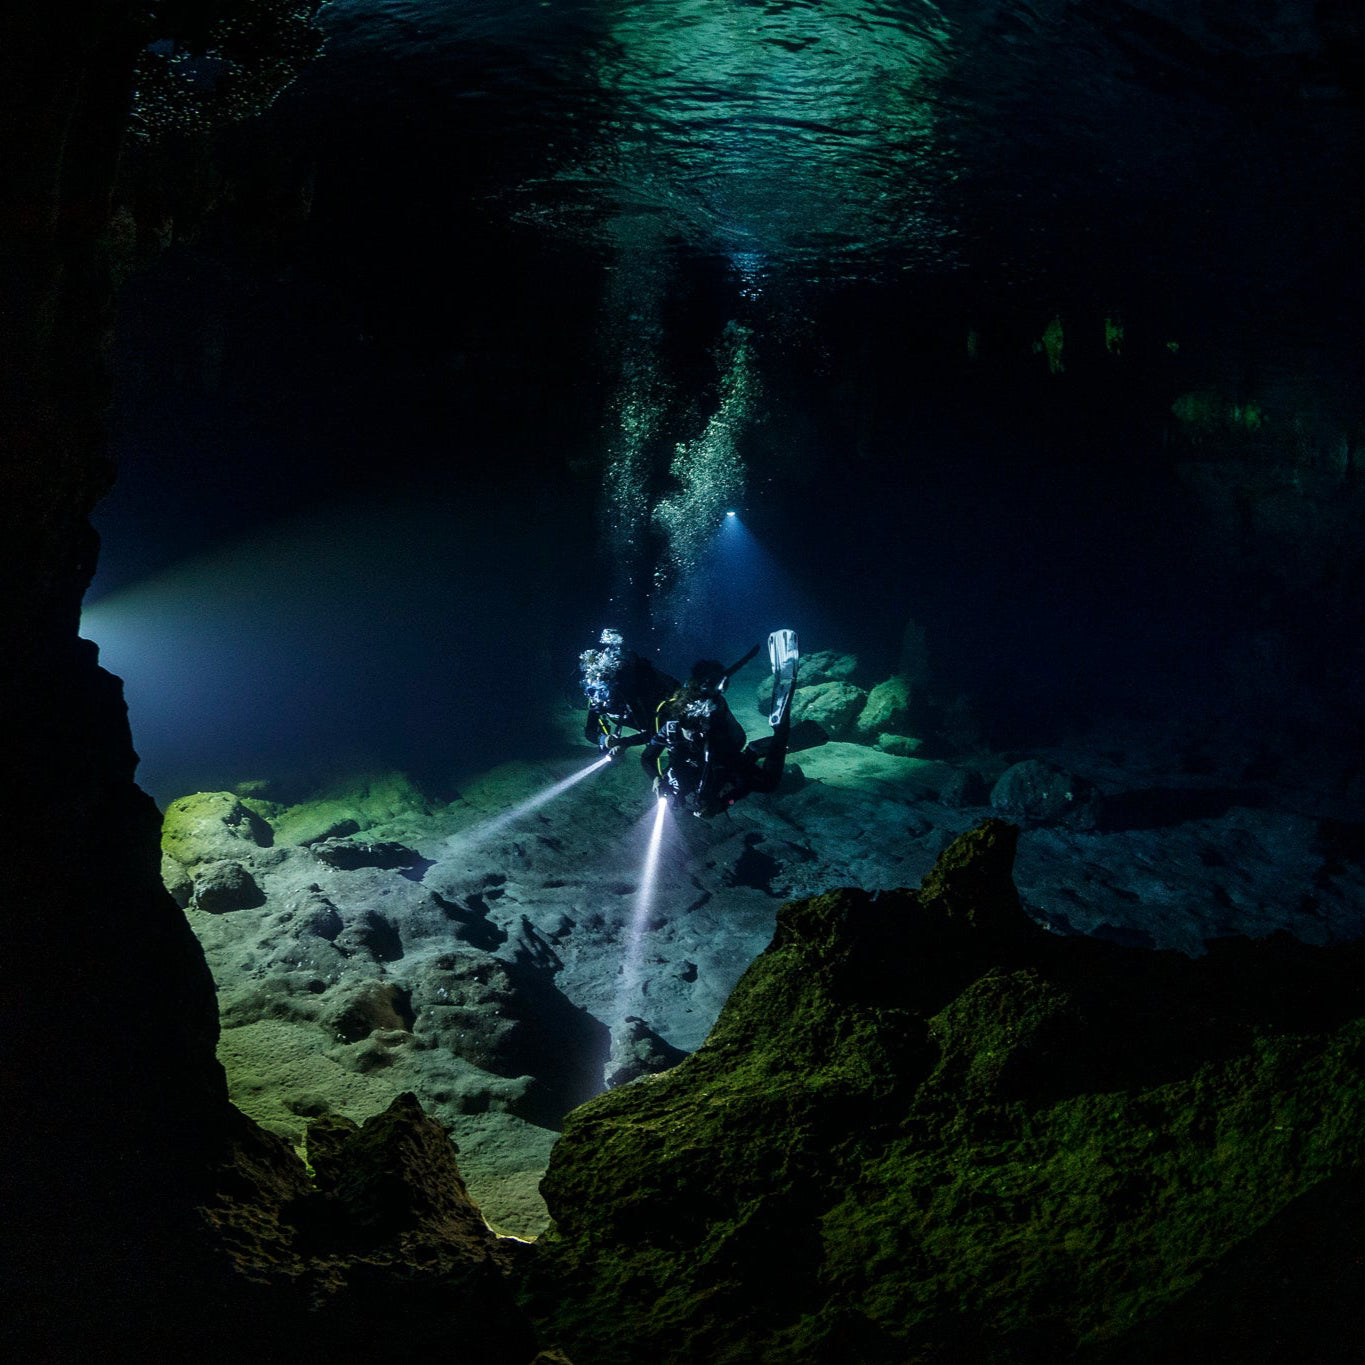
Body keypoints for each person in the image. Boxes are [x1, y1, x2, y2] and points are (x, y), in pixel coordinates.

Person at [642, 630, 799, 817]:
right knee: (691, 788)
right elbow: (647, 758)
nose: (693, 735)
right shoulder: (670, 729)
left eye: (696, 731)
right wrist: (656, 779)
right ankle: (755, 750)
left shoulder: (712, 734)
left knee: (767, 784)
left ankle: (778, 732)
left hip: (722, 752)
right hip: (696, 761)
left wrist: (723, 803)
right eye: (688, 730)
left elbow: (741, 785)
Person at [579, 628, 680, 760]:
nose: (599, 698)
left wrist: (626, 743)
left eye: (603, 692)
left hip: (659, 713)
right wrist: (604, 739)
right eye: (593, 691)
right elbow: (589, 731)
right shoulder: (596, 697)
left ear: (613, 689)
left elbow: (652, 733)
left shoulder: (631, 696)